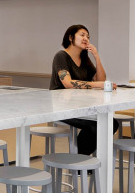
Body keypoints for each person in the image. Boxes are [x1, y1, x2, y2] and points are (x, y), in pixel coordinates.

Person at [50, 24, 118, 155]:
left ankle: (81, 160)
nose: (86, 38)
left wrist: (96, 56)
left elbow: (101, 80)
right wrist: (97, 85)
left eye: (88, 36)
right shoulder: (61, 56)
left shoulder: (85, 59)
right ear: (70, 37)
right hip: (62, 107)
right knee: (95, 127)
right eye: (82, 35)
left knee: (111, 123)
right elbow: (68, 83)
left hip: (80, 106)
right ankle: (79, 160)